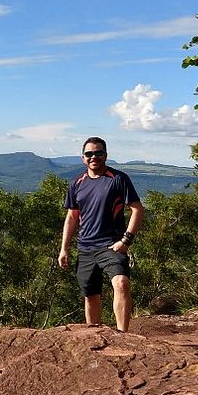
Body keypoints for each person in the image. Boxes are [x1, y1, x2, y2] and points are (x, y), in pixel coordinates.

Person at [58, 137, 144, 332]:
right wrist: (64, 248)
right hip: (86, 248)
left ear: (106, 155)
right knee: (91, 295)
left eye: (98, 153)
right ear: (83, 158)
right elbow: (72, 216)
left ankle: (123, 336)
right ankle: (94, 335)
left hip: (111, 245)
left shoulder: (118, 179)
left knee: (121, 282)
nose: (94, 157)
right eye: (89, 154)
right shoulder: (76, 183)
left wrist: (126, 241)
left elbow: (137, 209)